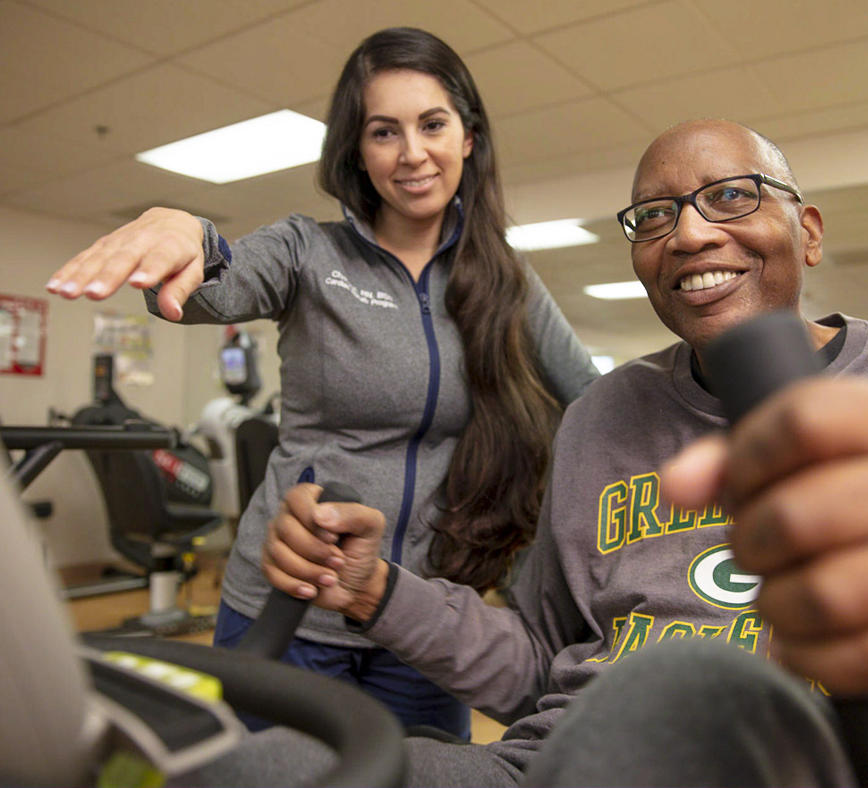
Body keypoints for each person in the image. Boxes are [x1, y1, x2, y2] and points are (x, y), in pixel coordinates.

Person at [235, 118, 868, 787]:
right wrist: (373, 589)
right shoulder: (600, 415)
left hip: (803, 765)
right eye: (654, 215)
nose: (691, 233)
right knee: (258, 769)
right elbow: (536, 661)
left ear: (807, 231)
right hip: (562, 760)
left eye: (733, 196)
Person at [44, 27, 599, 739]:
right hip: (288, 605)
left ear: (468, 137)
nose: (412, 153)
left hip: (421, 616)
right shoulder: (309, 253)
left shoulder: (506, 280)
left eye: (432, 124)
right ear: (357, 153)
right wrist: (188, 233)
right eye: (383, 132)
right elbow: (217, 285)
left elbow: (592, 399)